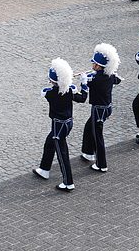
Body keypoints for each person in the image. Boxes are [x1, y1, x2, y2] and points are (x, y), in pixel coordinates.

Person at [34, 59, 88, 192]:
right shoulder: (71, 90)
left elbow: (45, 91)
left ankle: (68, 182)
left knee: (62, 154)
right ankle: (44, 169)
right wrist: (84, 83)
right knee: (49, 142)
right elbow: (82, 98)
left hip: (58, 126)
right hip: (68, 123)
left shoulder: (50, 93)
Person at [80, 43, 121, 173]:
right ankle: (88, 152)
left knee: (98, 136)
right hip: (106, 108)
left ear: (99, 66)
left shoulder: (96, 78)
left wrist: (83, 82)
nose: (92, 66)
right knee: (88, 127)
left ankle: (101, 164)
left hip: (99, 109)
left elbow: (86, 90)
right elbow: (116, 80)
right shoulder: (109, 75)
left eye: (94, 64)